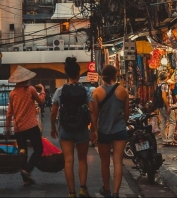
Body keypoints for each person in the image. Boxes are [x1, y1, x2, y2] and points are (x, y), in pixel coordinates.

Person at [51, 57, 94, 198]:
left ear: (67, 74)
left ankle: (71, 192)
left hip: (65, 129)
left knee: (68, 160)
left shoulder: (60, 91)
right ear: (78, 74)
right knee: (82, 159)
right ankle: (83, 188)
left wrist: (52, 127)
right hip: (81, 128)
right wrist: (94, 128)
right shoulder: (85, 91)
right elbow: (92, 110)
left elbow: (53, 111)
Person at [91, 64, 129, 198]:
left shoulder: (97, 92)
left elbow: (94, 114)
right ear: (115, 75)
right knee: (118, 161)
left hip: (103, 131)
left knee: (105, 162)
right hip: (119, 130)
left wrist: (94, 130)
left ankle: (106, 189)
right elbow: (126, 115)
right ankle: (116, 192)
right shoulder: (123, 91)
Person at [5, 66, 46, 187]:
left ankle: (26, 180)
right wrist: (43, 90)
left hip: (18, 128)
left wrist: (7, 127)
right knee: (38, 149)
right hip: (31, 126)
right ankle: (27, 170)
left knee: (23, 152)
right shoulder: (31, 89)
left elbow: (9, 112)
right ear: (26, 80)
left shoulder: (12, 93)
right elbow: (41, 101)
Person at [156, 71, 175, 146]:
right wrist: (168, 107)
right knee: (172, 122)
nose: (168, 77)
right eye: (167, 76)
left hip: (161, 107)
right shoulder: (165, 85)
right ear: (165, 77)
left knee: (163, 122)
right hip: (165, 106)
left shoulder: (159, 84)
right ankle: (170, 139)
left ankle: (164, 140)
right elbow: (164, 97)